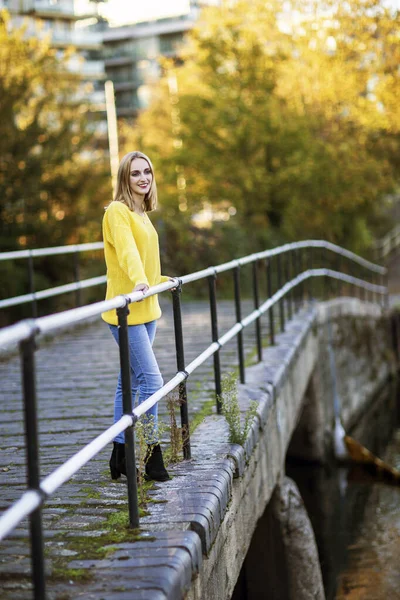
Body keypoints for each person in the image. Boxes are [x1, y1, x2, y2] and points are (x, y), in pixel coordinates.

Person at [101, 150, 171, 482]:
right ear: (124, 179)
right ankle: (149, 453)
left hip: (148, 308)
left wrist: (160, 281)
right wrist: (140, 280)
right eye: (135, 173)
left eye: (147, 172)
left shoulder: (143, 213)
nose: (143, 178)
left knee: (126, 383)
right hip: (125, 309)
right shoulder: (117, 211)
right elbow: (127, 253)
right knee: (152, 382)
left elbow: (148, 260)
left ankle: (119, 453)